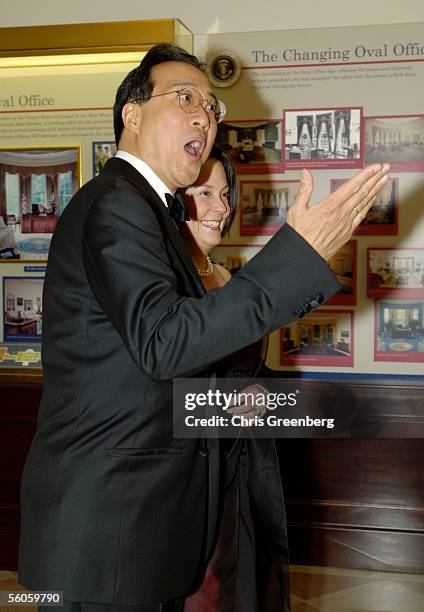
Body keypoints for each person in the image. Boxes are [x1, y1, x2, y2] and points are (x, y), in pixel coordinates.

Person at [18, 42, 389, 612]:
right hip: (107, 538)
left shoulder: (148, 212)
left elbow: (163, 368)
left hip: (138, 530)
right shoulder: (117, 202)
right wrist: (296, 257)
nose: (204, 116)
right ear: (132, 115)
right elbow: (165, 344)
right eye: (184, 97)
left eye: (212, 108)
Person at [179, 146, 290, 611]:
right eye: (205, 193)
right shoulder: (167, 282)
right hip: (189, 471)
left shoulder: (226, 276)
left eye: (225, 194)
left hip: (246, 463)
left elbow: (253, 368)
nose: (222, 208)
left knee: (246, 585)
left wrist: (263, 388)